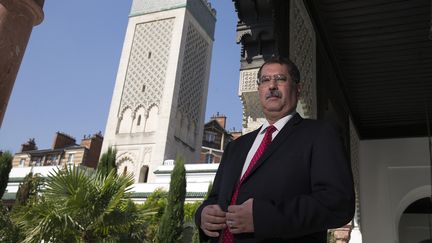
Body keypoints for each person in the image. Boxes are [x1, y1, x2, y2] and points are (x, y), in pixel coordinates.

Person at [195, 56, 355, 242]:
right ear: (259, 90)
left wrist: (263, 218)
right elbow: (215, 199)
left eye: (280, 79)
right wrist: (203, 214)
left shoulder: (319, 134)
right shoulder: (236, 147)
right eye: (265, 80)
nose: (272, 85)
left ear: (298, 89)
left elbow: (338, 202)